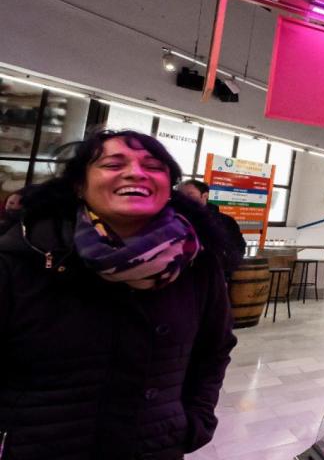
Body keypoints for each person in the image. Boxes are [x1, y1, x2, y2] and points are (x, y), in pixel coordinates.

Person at [0, 129, 238, 459]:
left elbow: (214, 349)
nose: (135, 172)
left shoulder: (197, 264)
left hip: (153, 446)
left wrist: (194, 421)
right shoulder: (27, 255)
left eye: (153, 165)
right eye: (112, 164)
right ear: (78, 185)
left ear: (169, 187)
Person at [177, 179, 248, 266]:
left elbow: (238, 247)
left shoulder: (225, 221)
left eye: (190, 194)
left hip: (214, 274)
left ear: (205, 196)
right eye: (180, 195)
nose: (184, 199)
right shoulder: (173, 219)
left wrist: (223, 267)